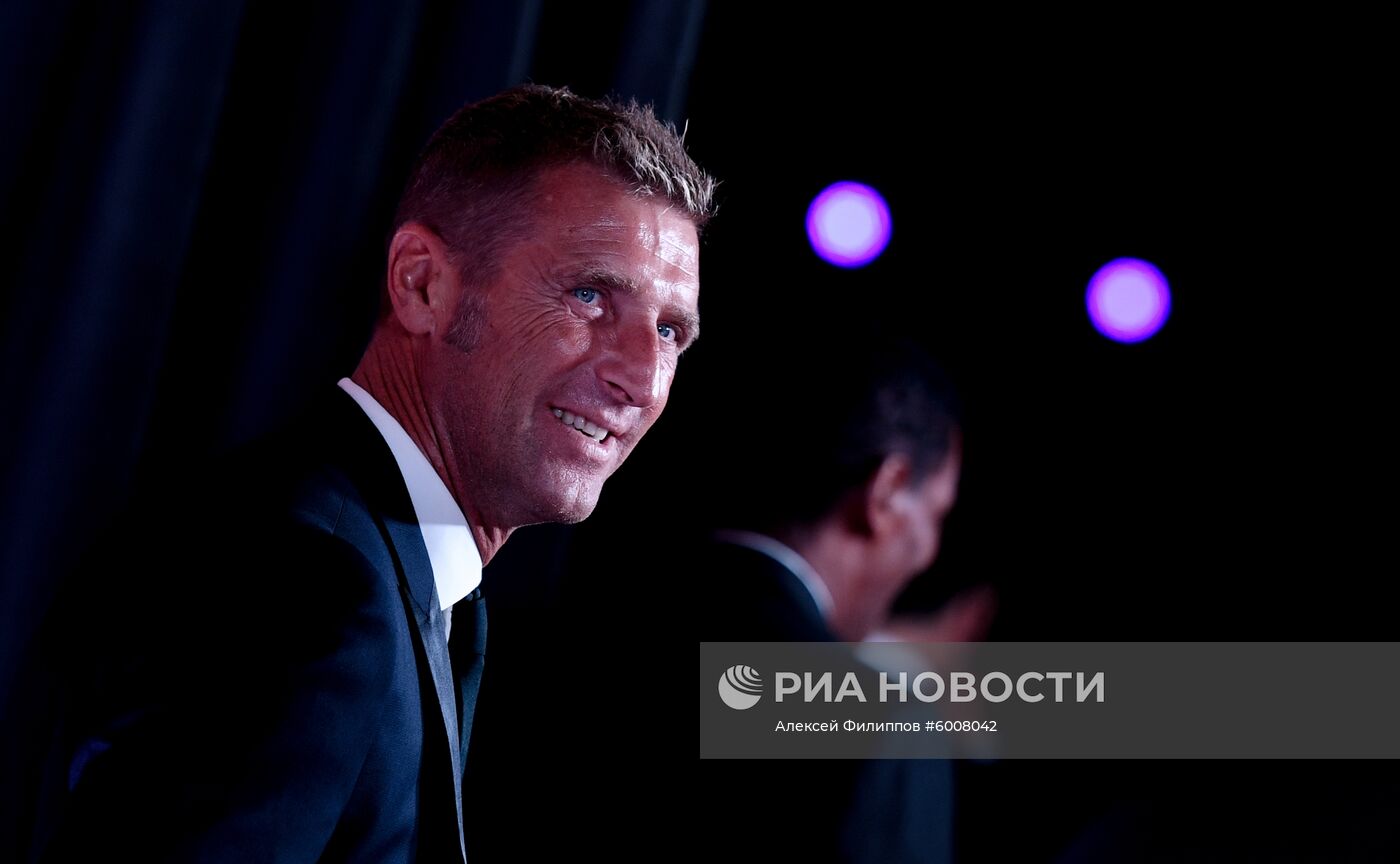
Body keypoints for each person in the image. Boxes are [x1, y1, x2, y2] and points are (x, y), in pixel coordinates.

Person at [40, 84, 716, 863]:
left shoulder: (386, 574)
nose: (643, 377)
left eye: (671, 331)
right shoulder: (309, 583)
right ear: (422, 284)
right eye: (589, 295)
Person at [697, 332, 966, 863]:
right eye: (936, 512)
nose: (929, 550)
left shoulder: (565, 612)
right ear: (886, 492)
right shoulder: (883, 727)